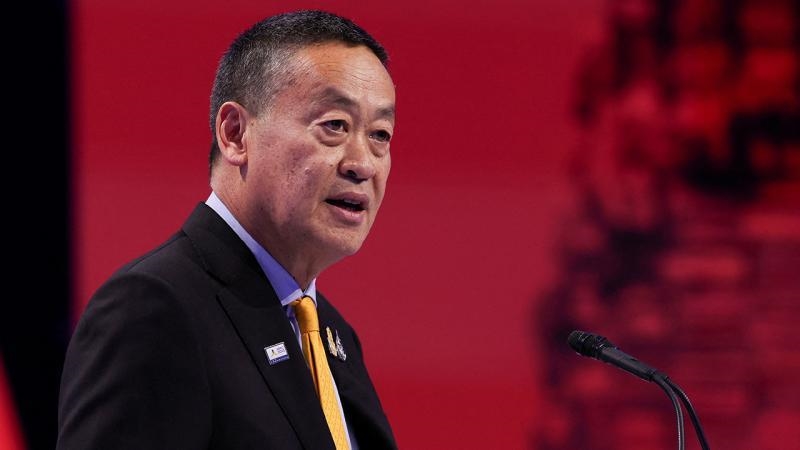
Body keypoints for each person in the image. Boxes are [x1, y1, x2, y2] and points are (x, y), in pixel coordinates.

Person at [56, 9, 398, 450]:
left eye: (380, 134)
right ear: (235, 134)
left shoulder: (332, 334)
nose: (363, 164)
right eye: (334, 126)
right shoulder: (153, 310)